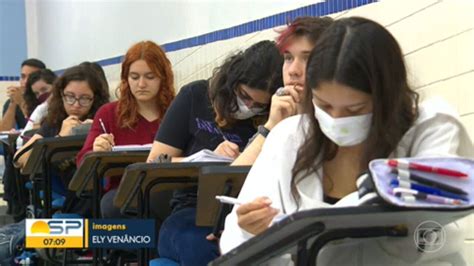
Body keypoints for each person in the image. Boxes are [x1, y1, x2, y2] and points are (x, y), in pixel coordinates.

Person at [220, 17, 473, 265]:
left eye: (354, 110)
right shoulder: (290, 136)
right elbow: (235, 240)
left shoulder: (430, 128)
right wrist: (250, 230)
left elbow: (440, 232)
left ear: (387, 98)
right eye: (324, 105)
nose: (336, 120)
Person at [146, 40, 283, 266]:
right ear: (232, 80)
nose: (249, 107)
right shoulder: (195, 95)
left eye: (259, 105)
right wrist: (204, 157)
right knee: (203, 249)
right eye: (244, 96)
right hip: (190, 213)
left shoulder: (273, 117)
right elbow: (155, 161)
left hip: (242, 211)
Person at [76, 40, 175, 218]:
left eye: (150, 77)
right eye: (134, 77)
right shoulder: (108, 113)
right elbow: (83, 163)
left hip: (169, 190)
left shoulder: (177, 110)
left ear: (163, 78)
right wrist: (95, 150)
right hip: (122, 193)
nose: (141, 84)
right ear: (126, 79)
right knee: (113, 205)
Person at [232, 16, 333, 166]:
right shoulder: (277, 119)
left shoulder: (337, 123)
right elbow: (231, 182)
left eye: (307, 59)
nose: (293, 71)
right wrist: (271, 126)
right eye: (288, 58)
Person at [14, 64, 110, 172]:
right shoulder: (54, 121)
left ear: (95, 98)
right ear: (61, 95)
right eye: (70, 96)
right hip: (61, 187)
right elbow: (19, 159)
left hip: (97, 184)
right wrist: (59, 139)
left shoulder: (104, 120)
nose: (76, 105)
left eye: (85, 98)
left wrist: (95, 133)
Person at [1, 59, 46, 131]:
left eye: (31, 77)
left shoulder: (45, 100)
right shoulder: (13, 101)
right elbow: (3, 131)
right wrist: (13, 103)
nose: (25, 82)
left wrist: (21, 102)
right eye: (23, 76)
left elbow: (36, 128)